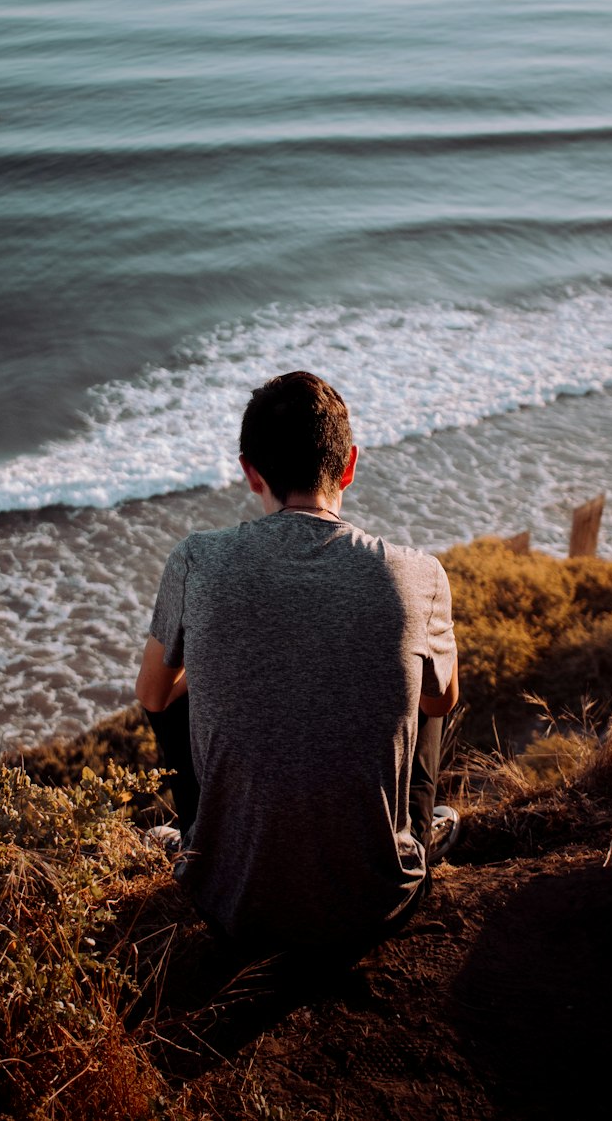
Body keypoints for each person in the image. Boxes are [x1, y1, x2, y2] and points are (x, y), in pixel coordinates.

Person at [135, 370, 458, 956]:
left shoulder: (196, 561)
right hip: (379, 905)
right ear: (350, 465)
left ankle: (197, 841)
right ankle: (417, 833)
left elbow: (153, 696)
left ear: (249, 471)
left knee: (174, 694)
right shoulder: (420, 573)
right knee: (430, 687)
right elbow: (441, 702)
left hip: (227, 907)